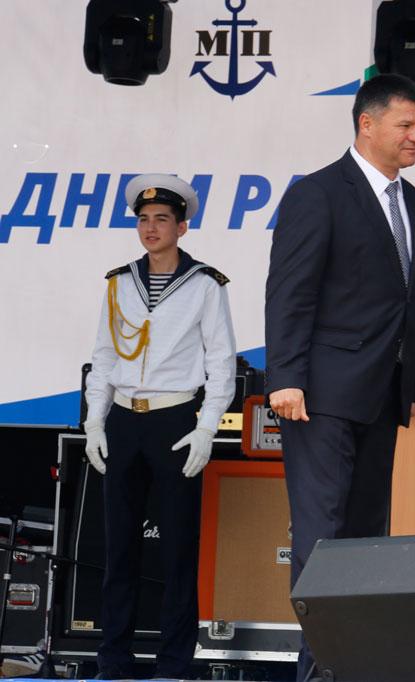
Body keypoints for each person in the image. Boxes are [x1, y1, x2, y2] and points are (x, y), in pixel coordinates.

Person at [264, 73, 415, 682]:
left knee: (365, 542)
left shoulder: (414, 203)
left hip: (382, 395)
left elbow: (403, 302)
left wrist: (407, 382)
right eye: (405, 125)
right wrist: (285, 377)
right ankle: (319, 671)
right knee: (321, 539)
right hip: (321, 396)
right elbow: (290, 291)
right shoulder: (318, 193)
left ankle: (354, 668)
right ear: (367, 123)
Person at [83, 174, 236, 679]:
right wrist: (95, 421)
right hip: (125, 419)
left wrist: (206, 426)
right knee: (118, 549)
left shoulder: (205, 284)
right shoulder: (119, 281)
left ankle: (173, 664)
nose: (151, 228)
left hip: (175, 420)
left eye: (162, 220)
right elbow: (104, 357)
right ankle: (113, 660)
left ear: (182, 227)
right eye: (144, 220)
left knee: (177, 550)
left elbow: (221, 362)